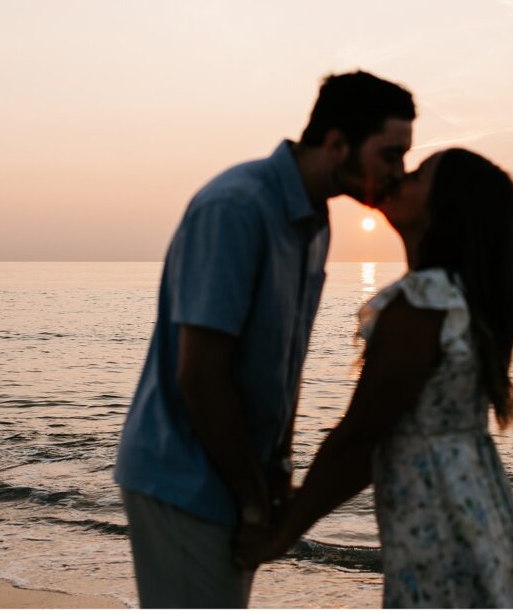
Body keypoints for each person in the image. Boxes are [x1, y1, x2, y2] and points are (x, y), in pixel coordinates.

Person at [113, 71, 416, 608]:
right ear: (337, 143)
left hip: (237, 476)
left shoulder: (316, 225)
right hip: (183, 475)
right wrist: (255, 498)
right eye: (390, 155)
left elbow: (281, 366)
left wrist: (276, 475)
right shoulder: (237, 207)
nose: (400, 172)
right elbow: (200, 374)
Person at [237, 148, 513, 608]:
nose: (400, 177)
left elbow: (360, 437)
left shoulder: (421, 306)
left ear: (446, 208)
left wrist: (283, 533)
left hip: (441, 526)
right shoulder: (463, 300)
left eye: (417, 175)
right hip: (484, 515)